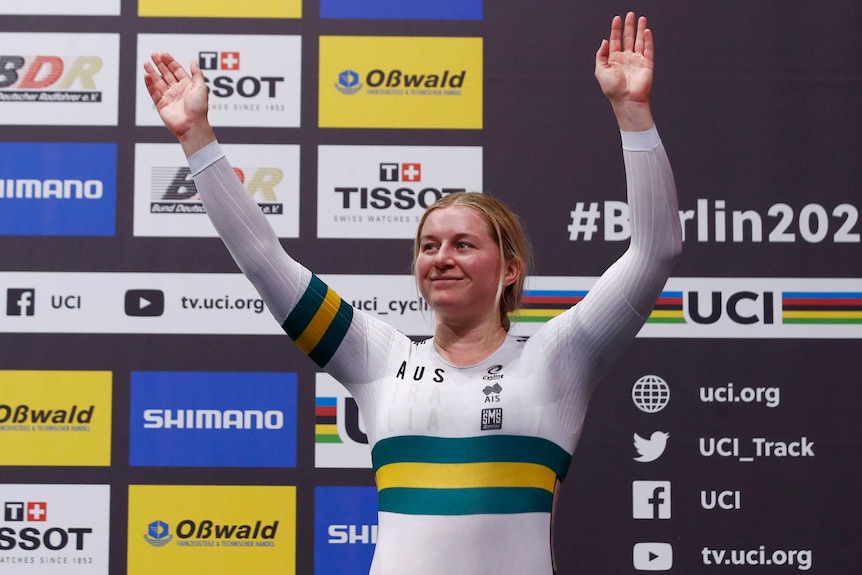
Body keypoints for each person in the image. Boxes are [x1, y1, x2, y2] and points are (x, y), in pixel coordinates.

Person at [144, 11, 681, 575]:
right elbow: (263, 261)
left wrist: (632, 111)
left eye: (464, 245)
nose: (442, 257)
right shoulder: (378, 358)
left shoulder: (559, 357)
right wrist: (197, 138)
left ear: (511, 269)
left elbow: (656, 250)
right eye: (429, 246)